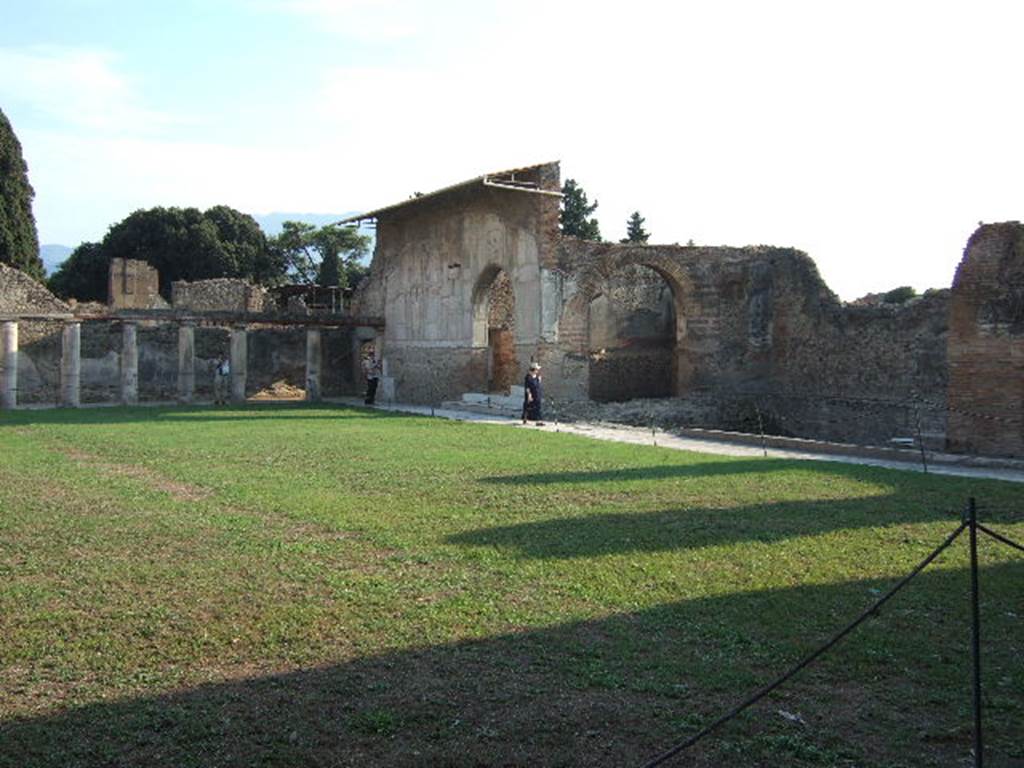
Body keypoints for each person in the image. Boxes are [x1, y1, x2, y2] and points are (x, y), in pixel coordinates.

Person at [522, 361, 544, 425]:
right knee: (528, 407)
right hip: (531, 395)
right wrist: (529, 395)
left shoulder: (536, 377)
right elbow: (527, 387)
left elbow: (537, 385)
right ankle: (525, 419)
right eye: (537, 369)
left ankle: (538, 420)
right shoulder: (528, 377)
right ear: (534, 370)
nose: (537, 371)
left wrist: (539, 381)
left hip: (537, 394)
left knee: (538, 407)